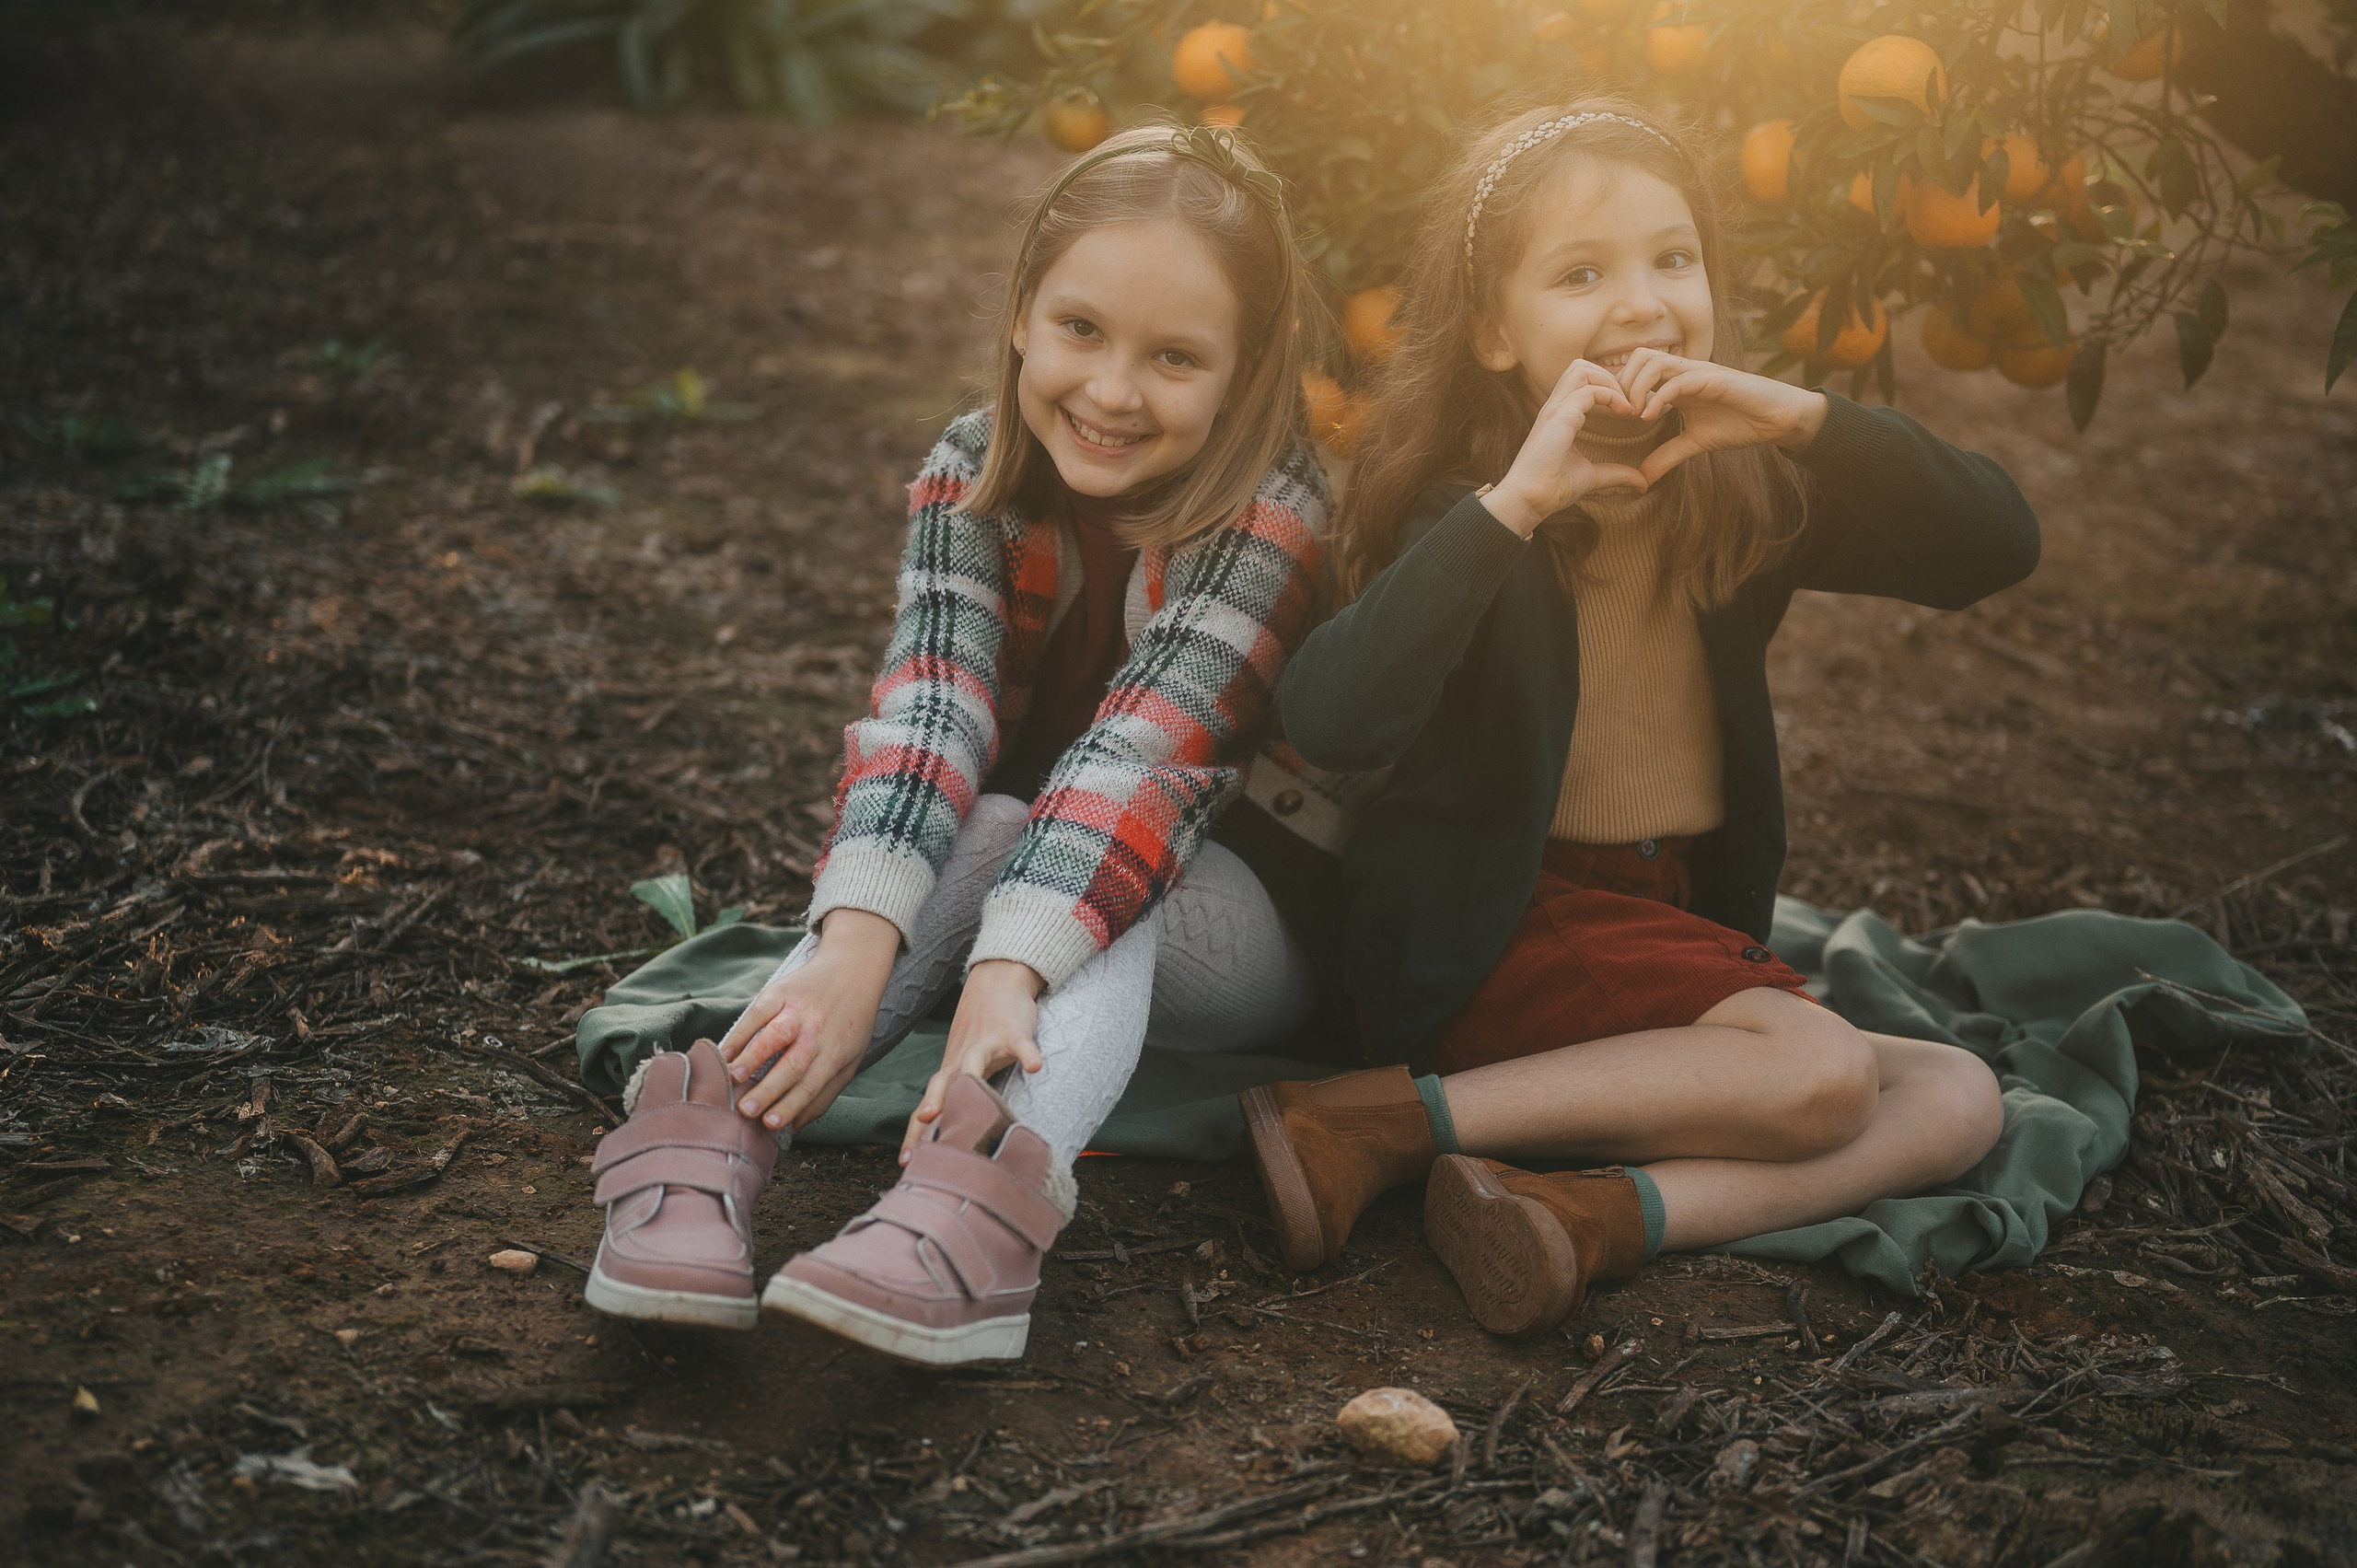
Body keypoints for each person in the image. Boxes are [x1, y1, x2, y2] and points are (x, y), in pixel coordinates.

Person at [1242, 99, 2041, 1337]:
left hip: (1662, 920)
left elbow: (1994, 544)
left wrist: (1799, 417)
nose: (1642, 304)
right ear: (1494, 333)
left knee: (1957, 1094)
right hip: (1499, 924)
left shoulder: (1743, 482)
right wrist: (1513, 507)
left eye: (1674, 259)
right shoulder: (1467, 510)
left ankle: (1583, 1218)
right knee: (1826, 1074)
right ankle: (1368, 1123)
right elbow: (1334, 718)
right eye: (1580, 274)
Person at [583, 124, 1357, 1365]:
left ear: (1247, 368)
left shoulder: (1273, 505)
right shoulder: (974, 469)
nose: (1112, 392)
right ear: (1021, 315)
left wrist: (1005, 967)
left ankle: (978, 1218)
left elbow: (1140, 768)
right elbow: (932, 706)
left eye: (1174, 356)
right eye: (1081, 329)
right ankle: (723, 1132)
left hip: (1247, 922)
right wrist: (856, 943)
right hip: (1028, 864)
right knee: (995, 823)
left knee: (1109, 873)